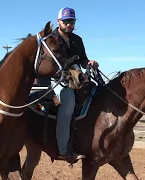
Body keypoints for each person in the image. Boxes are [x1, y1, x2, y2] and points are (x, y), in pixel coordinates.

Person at [52, 7, 99, 162]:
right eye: (65, 21)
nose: (69, 24)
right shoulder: (51, 39)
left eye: (71, 21)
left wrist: (89, 63)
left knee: (95, 94)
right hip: (57, 79)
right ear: (58, 21)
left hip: (77, 77)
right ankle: (63, 150)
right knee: (69, 103)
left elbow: (83, 60)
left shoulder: (77, 39)